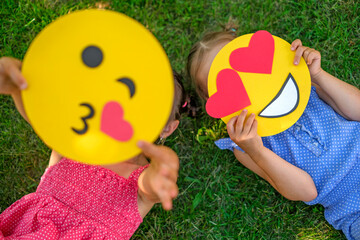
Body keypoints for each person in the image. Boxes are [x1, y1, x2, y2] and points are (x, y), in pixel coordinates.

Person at [187, 24, 360, 239]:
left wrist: (317, 75)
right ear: (212, 99)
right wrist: (256, 150)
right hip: (352, 208)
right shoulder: (245, 146)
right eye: (225, 81)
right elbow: (306, 192)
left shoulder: (301, 87)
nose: (244, 82)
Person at [0, 56, 188, 239]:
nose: (127, 110)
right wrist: (17, 91)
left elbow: (149, 189)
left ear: (167, 128)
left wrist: (159, 172)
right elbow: (46, 124)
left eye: (146, 109)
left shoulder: (140, 176)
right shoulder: (78, 142)